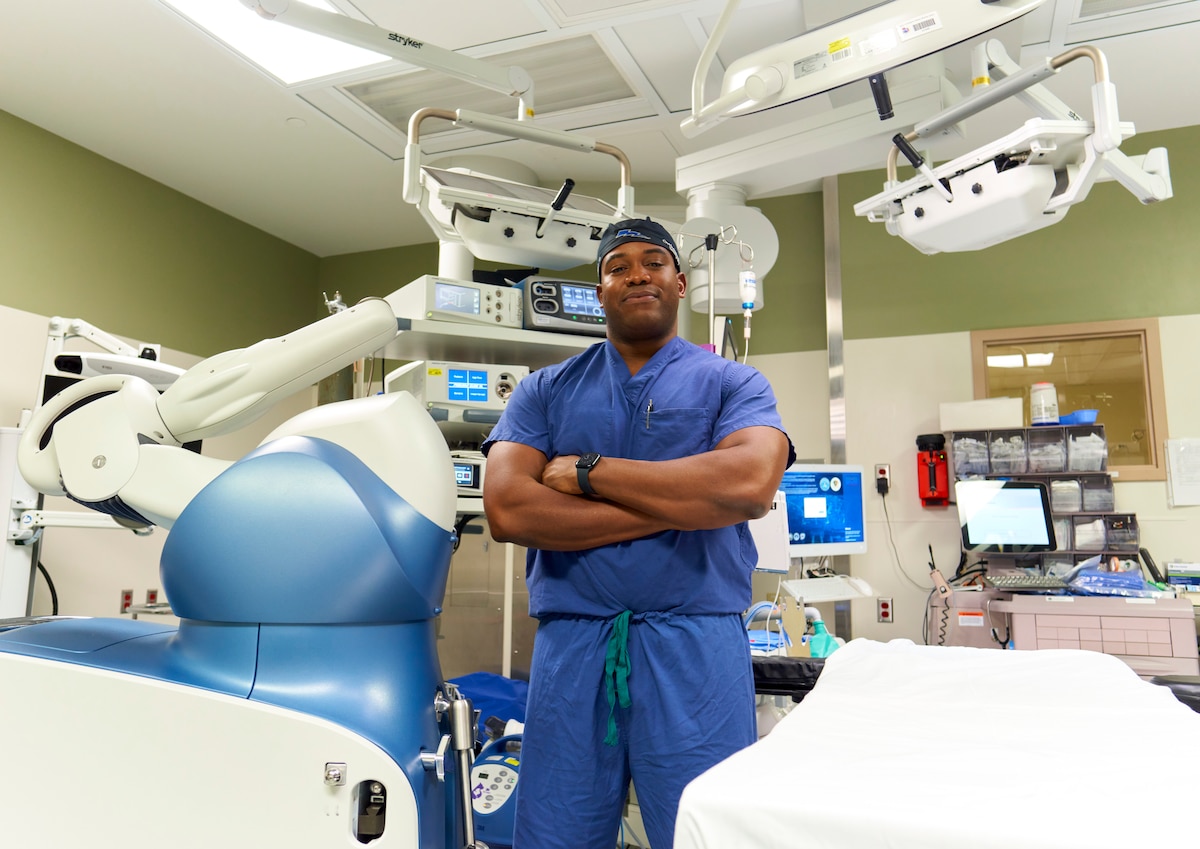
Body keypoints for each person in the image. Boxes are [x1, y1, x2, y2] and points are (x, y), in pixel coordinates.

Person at [481, 217, 795, 849]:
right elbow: (509, 510)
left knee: (703, 834)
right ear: (599, 291)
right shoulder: (545, 391)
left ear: (681, 283)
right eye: (617, 266)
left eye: (653, 262)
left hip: (695, 649)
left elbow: (750, 485)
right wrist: (688, 502)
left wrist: (590, 473)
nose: (636, 275)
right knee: (556, 835)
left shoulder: (733, 382)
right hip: (574, 647)